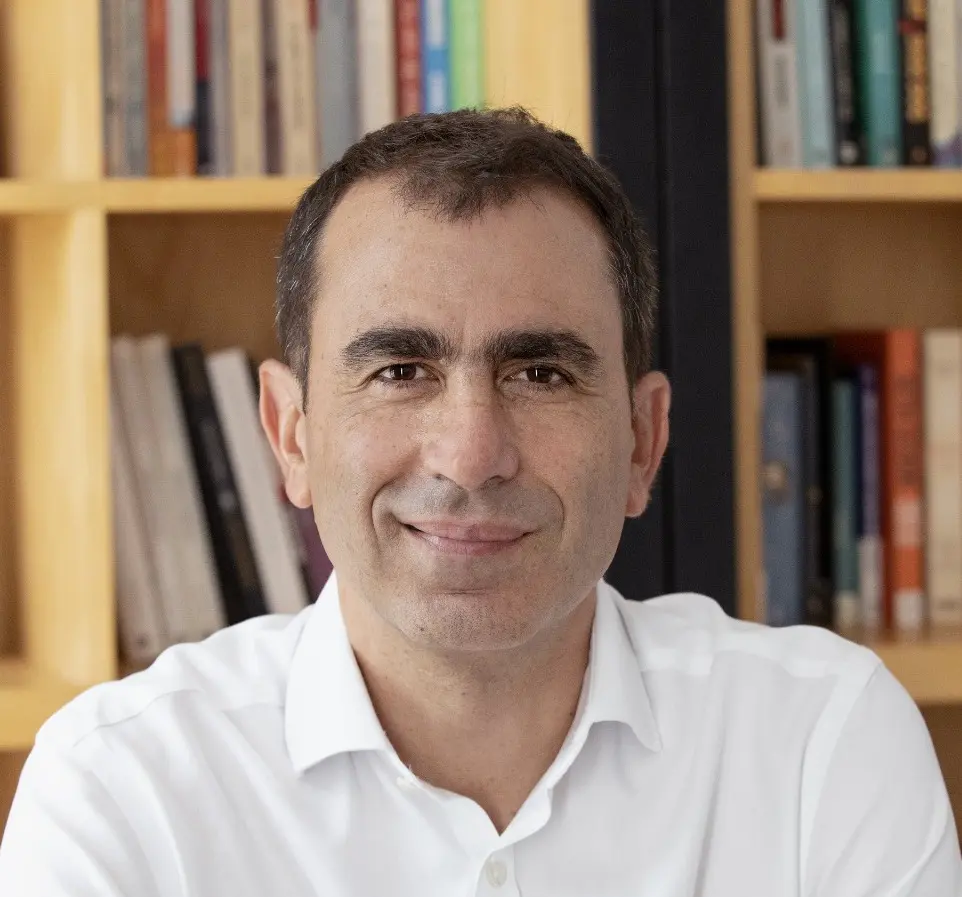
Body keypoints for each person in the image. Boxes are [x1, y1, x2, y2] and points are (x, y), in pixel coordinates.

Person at [0, 108, 958, 896]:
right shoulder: (121, 794)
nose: (470, 453)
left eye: (540, 371)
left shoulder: (823, 749)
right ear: (291, 434)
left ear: (644, 440)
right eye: (400, 369)